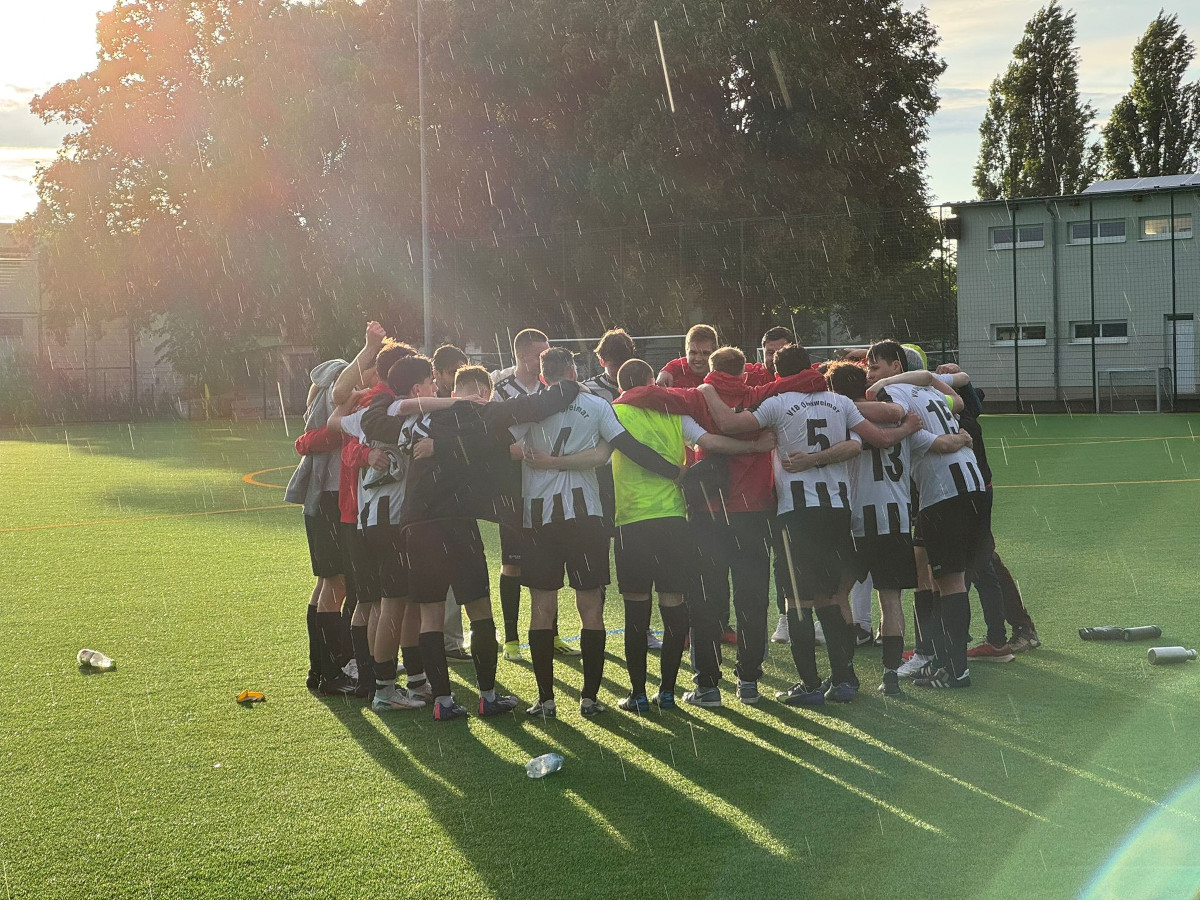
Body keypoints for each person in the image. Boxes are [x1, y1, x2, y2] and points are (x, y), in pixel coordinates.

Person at [700, 343, 922, 705]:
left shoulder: (778, 403)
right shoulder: (841, 403)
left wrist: (707, 389)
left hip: (797, 514)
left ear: (779, 373)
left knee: (797, 601)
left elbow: (729, 423)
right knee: (831, 598)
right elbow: (859, 445)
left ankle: (810, 685)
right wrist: (820, 459)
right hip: (836, 511)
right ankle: (844, 679)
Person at [359, 364, 582, 721]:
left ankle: (443, 702)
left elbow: (371, 420)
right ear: (484, 392)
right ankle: (488, 696)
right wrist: (571, 384)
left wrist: (394, 396)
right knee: (479, 611)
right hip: (456, 524)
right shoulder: (481, 410)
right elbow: (541, 405)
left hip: (414, 525)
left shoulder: (412, 419)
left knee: (430, 614)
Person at [511, 348, 687, 718]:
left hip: (538, 515)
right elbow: (616, 450)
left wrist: (539, 457)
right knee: (590, 606)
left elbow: (509, 449)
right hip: (584, 516)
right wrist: (674, 472)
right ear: (574, 371)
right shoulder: (595, 405)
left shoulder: (527, 405)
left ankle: (545, 700)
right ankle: (589, 698)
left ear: (543, 376)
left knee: (542, 608)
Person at [611, 358, 776, 711]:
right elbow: (710, 440)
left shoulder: (621, 411)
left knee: (680, 605)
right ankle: (738, 683)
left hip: (666, 517)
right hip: (701, 516)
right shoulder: (756, 394)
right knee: (745, 599)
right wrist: (753, 447)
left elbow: (601, 455)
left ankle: (680, 689)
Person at [818, 362, 972, 695]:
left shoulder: (843, 421)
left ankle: (844, 674)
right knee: (890, 602)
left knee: (836, 594)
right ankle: (890, 677)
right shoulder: (901, 419)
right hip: (898, 519)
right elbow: (935, 441)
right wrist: (961, 437)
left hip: (860, 520)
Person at [329, 356, 463, 711]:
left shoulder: (373, 414)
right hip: (393, 522)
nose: (436, 388)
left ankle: (411, 681)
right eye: (431, 382)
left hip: (368, 521)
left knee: (401, 604)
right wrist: (460, 402)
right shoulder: (414, 419)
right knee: (393, 605)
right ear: (418, 389)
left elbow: (335, 421)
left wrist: (365, 442)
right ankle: (385, 691)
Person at [865, 340, 988, 688]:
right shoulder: (931, 391)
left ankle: (956, 670)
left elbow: (922, 437)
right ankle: (944, 660)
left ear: (893, 365)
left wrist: (881, 387)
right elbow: (960, 399)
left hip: (943, 493)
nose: (870, 374)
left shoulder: (893, 398)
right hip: (972, 485)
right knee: (950, 579)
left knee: (949, 582)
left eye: (876, 367)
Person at [490, 329, 574, 659]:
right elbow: (489, 437)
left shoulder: (551, 389)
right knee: (512, 563)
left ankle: (550, 633)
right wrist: (514, 451)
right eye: (542, 352)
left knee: (549, 560)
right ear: (524, 356)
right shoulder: (498, 390)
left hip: (546, 486)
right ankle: (511, 639)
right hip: (511, 487)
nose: (547, 358)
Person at [286, 356, 354, 696]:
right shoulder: (336, 396)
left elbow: (310, 439)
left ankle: (323, 668)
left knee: (327, 585)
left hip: (324, 502)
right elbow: (317, 439)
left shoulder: (327, 394)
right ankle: (330, 671)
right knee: (336, 586)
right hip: (328, 501)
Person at [431, 343, 474, 663]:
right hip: (433, 502)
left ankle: (452, 639)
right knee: (438, 573)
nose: (456, 378)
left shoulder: (464, 401)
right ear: (437, 374)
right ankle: (443, 642)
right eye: (451, 373)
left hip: (460, 500)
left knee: (461, 570)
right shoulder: (429, 403)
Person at [656, 324, 719, 389]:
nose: (698, 358)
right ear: (686, 352)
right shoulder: (674, 374)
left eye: (705, 353)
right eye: (693, 352)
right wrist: (667, 370)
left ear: (715, 353)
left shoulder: (724, 377)